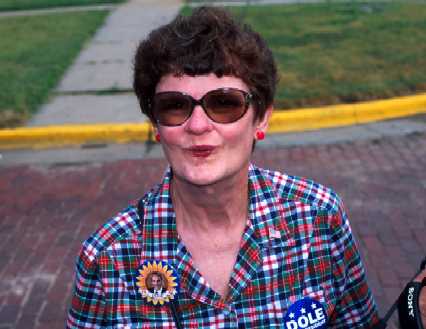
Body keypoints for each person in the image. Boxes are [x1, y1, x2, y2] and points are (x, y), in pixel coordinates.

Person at [67, 6, 380, 328]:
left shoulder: (318, 218)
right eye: (174, 107)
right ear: (155, 125)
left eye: (225, 103)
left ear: (262, 117)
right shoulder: (107, 257)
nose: (198, 125)